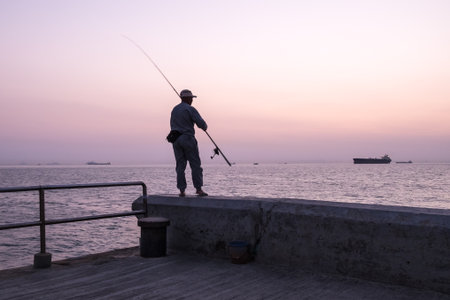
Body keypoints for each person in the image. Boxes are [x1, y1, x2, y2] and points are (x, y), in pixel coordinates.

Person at [170, 89, 208, 197]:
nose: (192, 100)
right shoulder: (190, 109)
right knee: (195, 164)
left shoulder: (174, 110)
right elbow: (201, 123)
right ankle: (198, 189)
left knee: (180, 166)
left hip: (176, 139)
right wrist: (205, 127)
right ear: (187, 98)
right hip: (187, 138)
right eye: (191, 98)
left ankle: (182, 190)